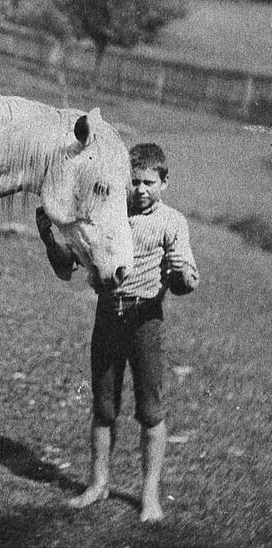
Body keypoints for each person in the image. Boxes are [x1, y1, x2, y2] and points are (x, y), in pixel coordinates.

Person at [36, 142, 199, 522]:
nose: (140, 190)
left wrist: (180, 276)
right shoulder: (110, 215)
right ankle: (97, 485)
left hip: (146, 322)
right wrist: (49, 239)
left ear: (164, 182)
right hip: (108, 315)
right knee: (104, 408)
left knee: (150, 412)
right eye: (134, 182)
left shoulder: (172, 222)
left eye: (148, 183)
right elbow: (66, 268)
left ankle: (150, 497)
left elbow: (186, 282)